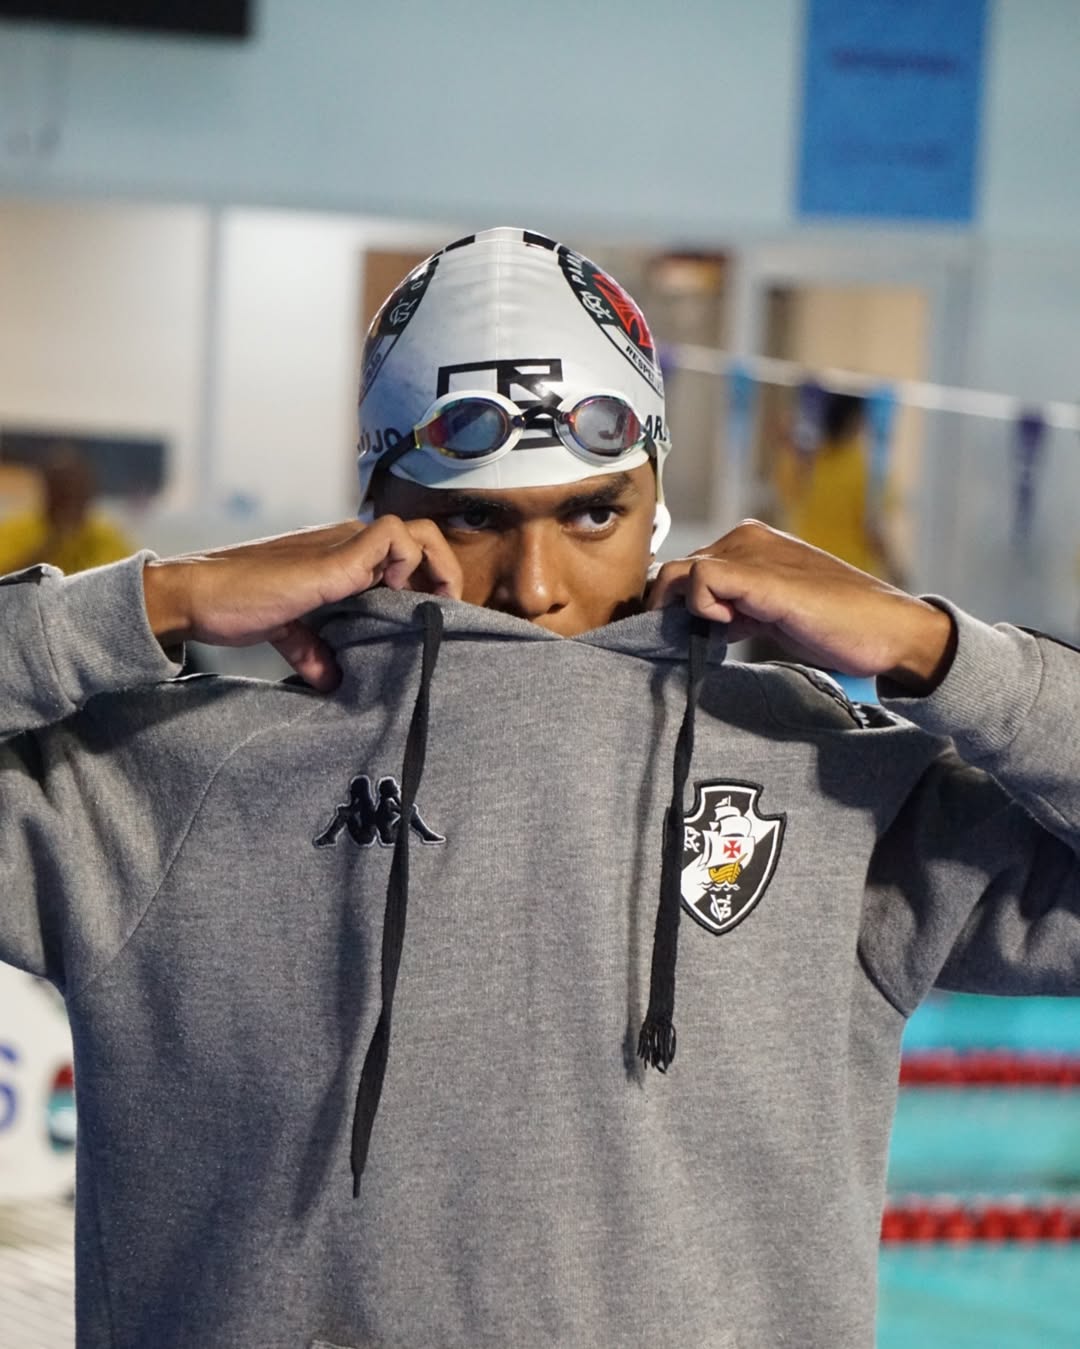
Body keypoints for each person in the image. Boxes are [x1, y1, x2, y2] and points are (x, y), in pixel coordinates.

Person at [1, 227, 1078, 1349]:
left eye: (592, 513)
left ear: (655, 504)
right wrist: (157, 600)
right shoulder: (165, 785)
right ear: (377, 508)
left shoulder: (825, 781)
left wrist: (931, 648)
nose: (535, 584)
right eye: (474, 516)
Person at [0, 443, 134, 576]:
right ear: (48, 489)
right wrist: (49, 547)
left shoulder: (107, 539)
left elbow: (132, 578)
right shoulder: (16, 531)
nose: (70, 499)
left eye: (78, 491)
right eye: (62, 490)